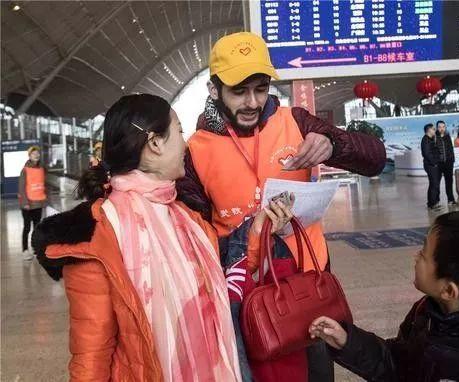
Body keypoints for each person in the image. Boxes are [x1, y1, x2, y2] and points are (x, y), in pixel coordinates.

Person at [32, 94, 291, 381]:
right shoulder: (98, 234)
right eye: (179, 131)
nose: (185, 142)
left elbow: (224, 277)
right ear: (155, 143)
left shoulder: (187, 218)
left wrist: (257, 231)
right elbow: (91, 353)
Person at [176, 32, 386, 381]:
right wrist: (248, 233)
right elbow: (194, 236)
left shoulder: (296, 121)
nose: (252, 102)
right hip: (242, 294)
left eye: (260, 89)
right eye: (239, 91)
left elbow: (375, 158)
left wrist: (334, 144)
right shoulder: (195, 150)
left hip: (307, 286)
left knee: (316, 371)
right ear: (214, 91)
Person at [309, 211, 459, 381]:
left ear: (449, 290)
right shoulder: (428, 310)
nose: (416, 256)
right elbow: (401, 365)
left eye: (424, 254)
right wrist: (347, 341)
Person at [18, 145, 47, 261]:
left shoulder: (41, 169)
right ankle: (25, 250)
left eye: (38, 153)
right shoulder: (25, 170)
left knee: (37, 228)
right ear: (29, 156)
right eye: (34, 154)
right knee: (27, 227)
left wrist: (45, 199)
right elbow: (21, 187)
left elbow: (43, 185)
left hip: (38, 203)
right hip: (28, 204)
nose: (36, 155)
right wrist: (25, 202)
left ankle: (36, 249)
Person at [435, 120, 457, 206]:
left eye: (443, 127)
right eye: (440, 127)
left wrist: (452, 160)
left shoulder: (447, 136)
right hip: (438, 164)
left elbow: (451, 149)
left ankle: (451, 199)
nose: (442, 129)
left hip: (448, 163)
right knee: (436, 182)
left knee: (449, 182)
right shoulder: (434, 137)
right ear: (437, 127)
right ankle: (436, 200)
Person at [421, 124, 441, 210]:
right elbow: (426, 154)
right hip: (430, 165)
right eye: (433, 129)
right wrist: (434, 163)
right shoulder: (425, 140)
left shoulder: (431, 139)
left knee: (434, 184)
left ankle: (434, 202)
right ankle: (432, 204)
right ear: (429, 130)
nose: (435, 130)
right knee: (434, 184)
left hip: (433, 164)